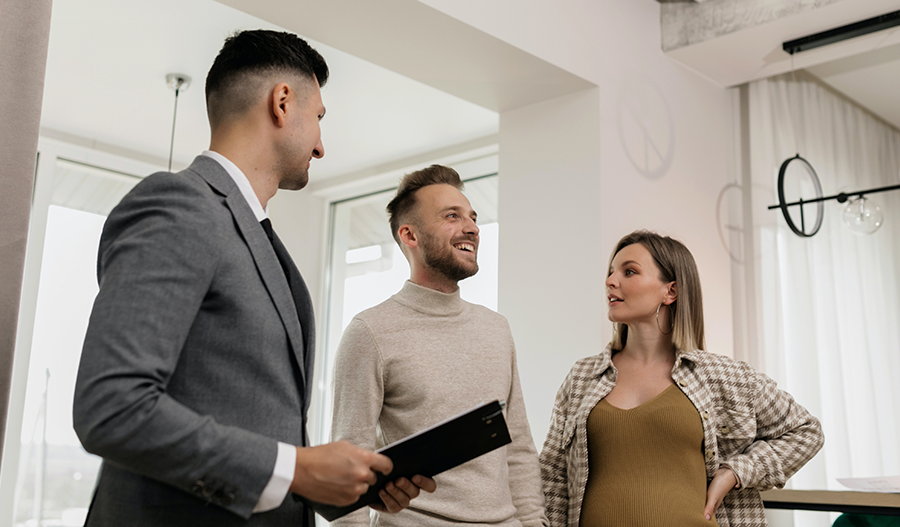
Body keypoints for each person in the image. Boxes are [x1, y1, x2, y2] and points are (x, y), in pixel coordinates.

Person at [72, 29, 433, 527]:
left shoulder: (255, 234)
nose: (322, 146)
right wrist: (296, 468)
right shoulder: (180, 205)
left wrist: (332, 488)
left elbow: (259, 425)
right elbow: (112, 408)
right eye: (320, 118)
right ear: (283, 103)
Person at [540, 230, 824, 527]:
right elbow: (552, 477)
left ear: (671, 291)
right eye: (611, 273)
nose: (611, 281)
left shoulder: (722, 376)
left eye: (629, 272)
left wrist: (735, 472)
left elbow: (806, 431)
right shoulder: (582, 377)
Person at [330, 165, 548, 527]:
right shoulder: (370, 332)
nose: (472, 227)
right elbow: (349, 461)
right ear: (410, 235)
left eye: (473, 218)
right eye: (452, 216)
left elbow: (519, 449)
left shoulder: (496, 329)